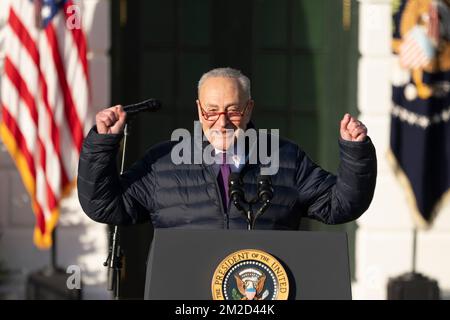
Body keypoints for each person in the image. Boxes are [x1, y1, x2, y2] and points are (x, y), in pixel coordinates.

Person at [77, 67, 377, 229]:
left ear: (249, 110)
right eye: (211, 111)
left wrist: (356, 152)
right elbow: (106, 206)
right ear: (198, 110)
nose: (222, 122)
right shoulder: (162, 162)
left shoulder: (285, 157)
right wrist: (102, 144)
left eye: (233, 111)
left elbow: (341, 206)